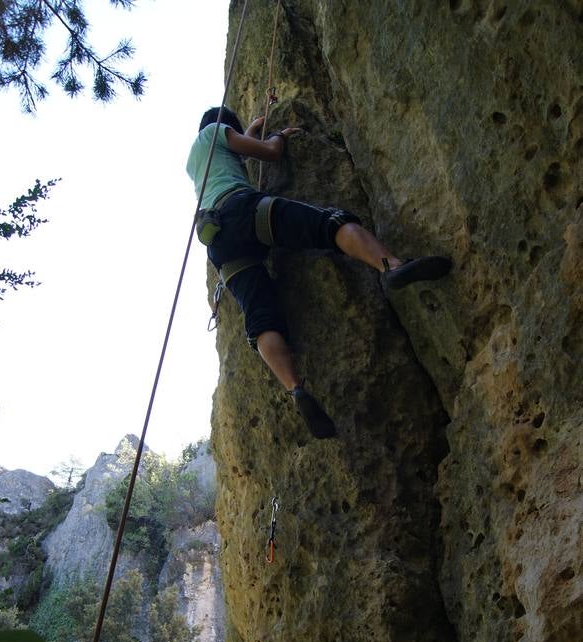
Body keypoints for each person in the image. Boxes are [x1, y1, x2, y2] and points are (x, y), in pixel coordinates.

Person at [186, 106, 451, 439]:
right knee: (329, 223)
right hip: (243, 210)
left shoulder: (197, 163)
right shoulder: (212, 134)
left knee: (260, 317)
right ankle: (391, 266)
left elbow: (241, 146)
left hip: (220, 244)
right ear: (224, 127)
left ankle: (295, 386)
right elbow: (269, 153)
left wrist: (255, 126)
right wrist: (278, 136)